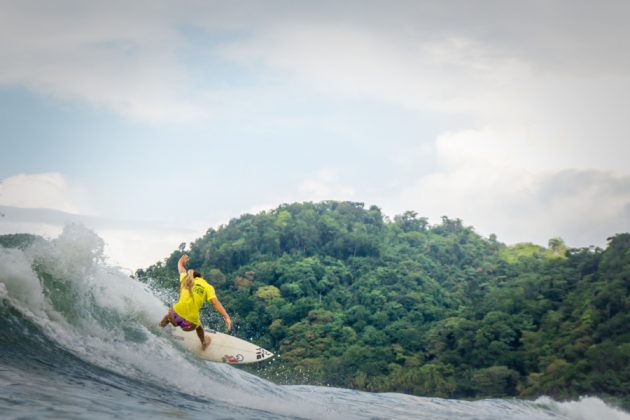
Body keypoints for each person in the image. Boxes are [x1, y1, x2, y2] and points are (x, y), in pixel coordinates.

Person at [160, 254, 232, 350]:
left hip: (173, 317)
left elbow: (180, 266)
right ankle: (204, 342)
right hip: (189, 325)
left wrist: (182, 260)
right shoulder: (207, 286)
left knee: (170, 313)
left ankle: (160, 326)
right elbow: (215, 303)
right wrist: (226, 316)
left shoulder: (186, 279)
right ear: (202, 277)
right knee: (199, 326)